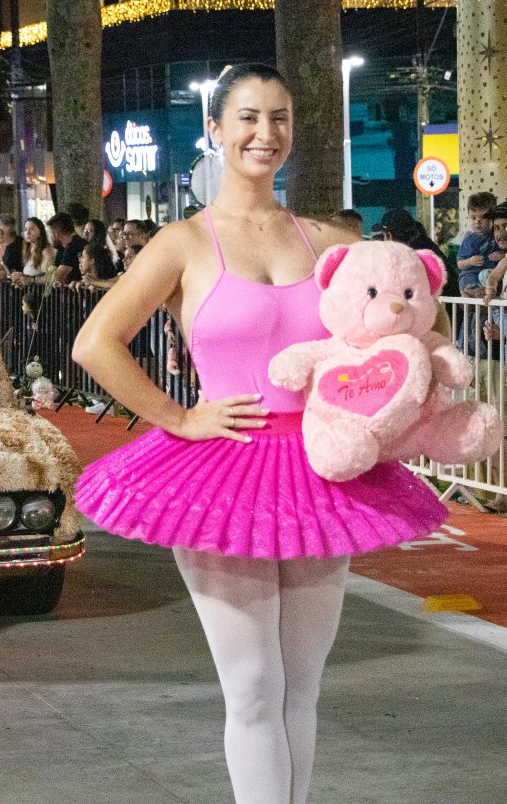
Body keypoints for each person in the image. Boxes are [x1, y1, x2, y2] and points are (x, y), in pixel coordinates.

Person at [72, 63, 448, 804]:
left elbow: (398, 333)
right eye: (247, 117)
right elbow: (95, 344)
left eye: (279, 117)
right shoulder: (181, 243)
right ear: (214, 129)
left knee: (301, 685)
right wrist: (180, 416)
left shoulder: (332, 242)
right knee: (251, 685)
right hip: (223, 471)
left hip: (319, 468)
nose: (264, 133)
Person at [377, 207, 453, 277]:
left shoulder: (409, 258)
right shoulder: (426, 245)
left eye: (384, 236)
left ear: (389, 235)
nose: (385, 241)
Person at [456, 191, 499, 295]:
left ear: (492, 218)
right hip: (471, 274)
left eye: (483, 217)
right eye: (473, 217)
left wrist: (501, 255)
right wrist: (470, 261)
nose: (477, 222)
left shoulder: (497, 235)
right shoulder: (469, 239)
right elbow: (460, 263)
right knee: (466, 283)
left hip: (491, 274)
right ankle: (468, 296)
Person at [9, 217, 55, 288]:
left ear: (40, 232)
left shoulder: (46, 250)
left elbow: (50, 276)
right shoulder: (28, 250)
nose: (27, 233)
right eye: (25, 229)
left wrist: (31, 279)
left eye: (32, 229)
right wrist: (20, 276)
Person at [48, 213, 87, 286]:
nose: (48, 237)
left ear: (56, 233)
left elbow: (56, 277)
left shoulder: (75, 246)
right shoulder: (62, 247)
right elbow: (52, 272)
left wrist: (32, 279)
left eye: (49, 233)